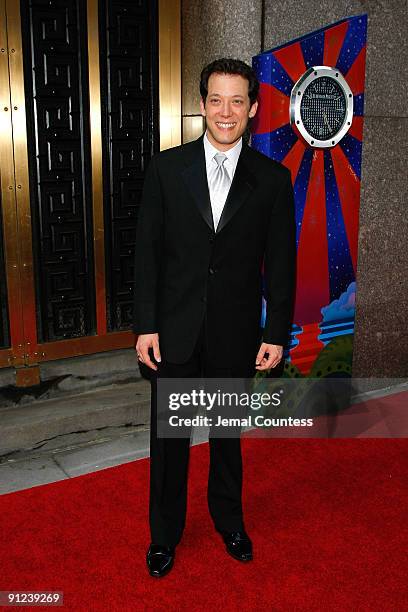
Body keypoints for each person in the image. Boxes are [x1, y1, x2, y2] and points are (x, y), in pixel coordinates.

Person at [132, 58, 296, 577]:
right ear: (201, 104)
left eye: (238, 101)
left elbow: (282, 264)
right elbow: (147, 255)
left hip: (235, 331)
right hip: (174, 330)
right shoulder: (165, 168)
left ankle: (229, 521)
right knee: (170, 439)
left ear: (252, 108)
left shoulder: (272, 179)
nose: (226, 112)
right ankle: (164, 536)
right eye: (216, 100)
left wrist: (275, 333)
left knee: (227, 436)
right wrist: (145, 324)